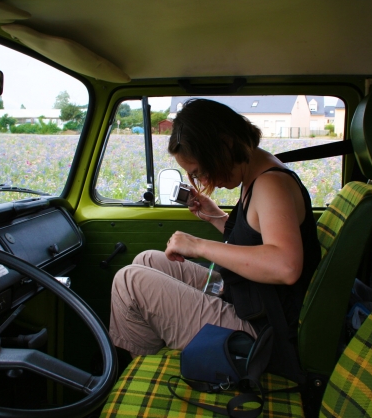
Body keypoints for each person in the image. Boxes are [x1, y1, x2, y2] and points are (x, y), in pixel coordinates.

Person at [109, 99, 321, 376]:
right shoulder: (258, 174)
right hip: (250, 300)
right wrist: (214, 217)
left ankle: (149, 373)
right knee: (146, 260)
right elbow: (256, 241)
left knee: (129, 281)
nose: (203, 182)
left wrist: (198, 245)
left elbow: (285, 266)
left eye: (201, 171)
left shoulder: (271, 183)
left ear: (224, 144)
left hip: (265, 331)